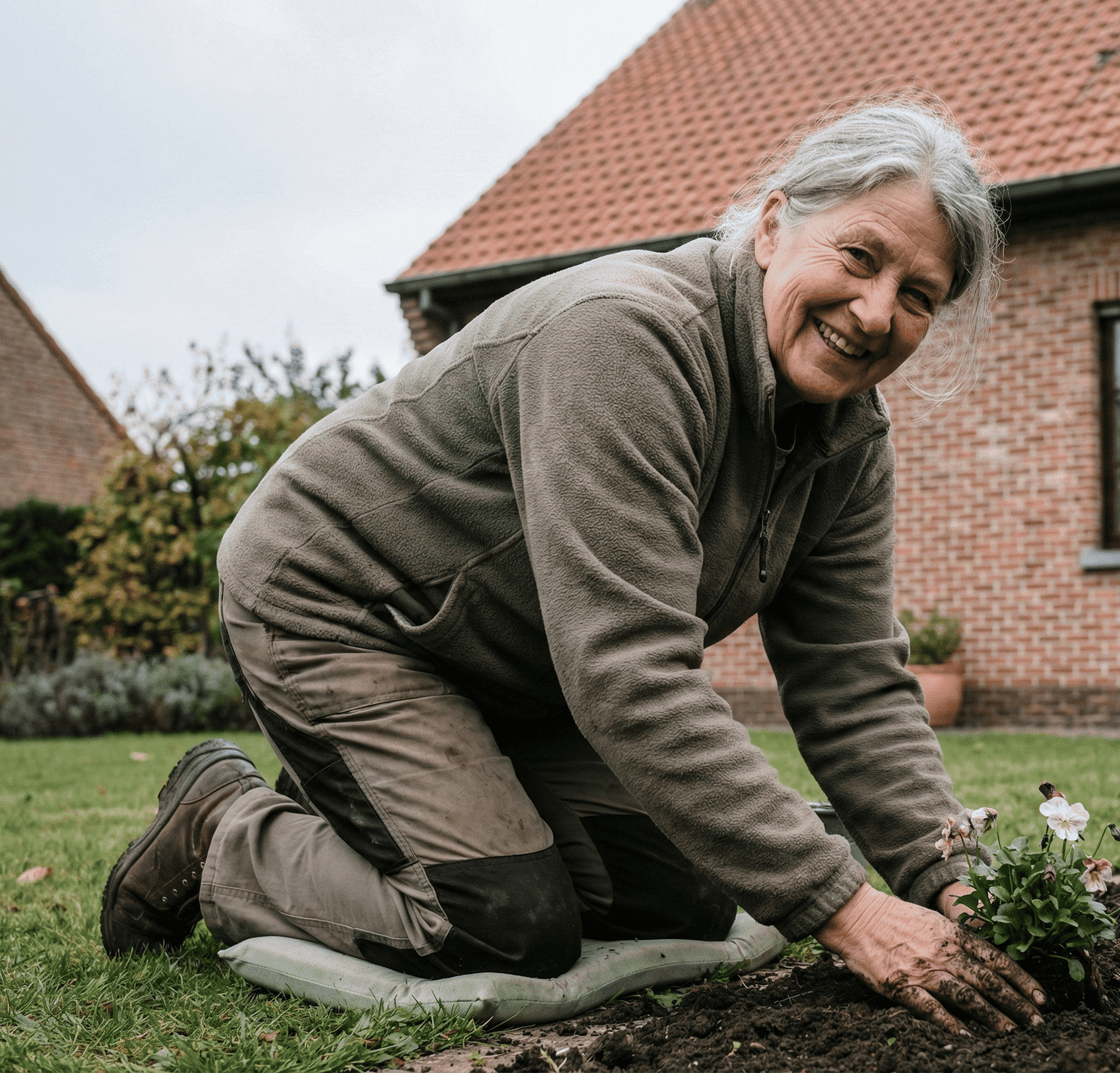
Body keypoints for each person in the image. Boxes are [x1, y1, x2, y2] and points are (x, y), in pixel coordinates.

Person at [101, 101, 1046, 1035]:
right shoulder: (626, 340)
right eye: (859, 255)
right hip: (342, 608)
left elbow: (852, 684)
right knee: (507, 922)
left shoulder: (848, 439)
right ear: (771, 225)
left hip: (517, 657)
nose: (876, 311)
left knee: (689, 891)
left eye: (919, 294)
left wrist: (956, 881)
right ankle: (225, 824)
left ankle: (382, 795)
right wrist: (856, 912)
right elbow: (628, 674)